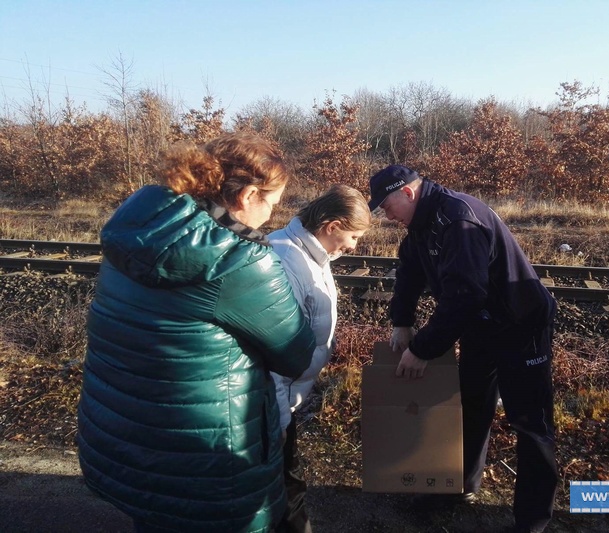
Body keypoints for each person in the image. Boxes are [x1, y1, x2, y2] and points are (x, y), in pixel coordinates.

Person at [76, 132, 316, 532]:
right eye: (271, 204)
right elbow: (296, 355)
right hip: (205, 460)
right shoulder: (239, 263)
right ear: (247, 195)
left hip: (125, 436)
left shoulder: (137, 227)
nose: (271, 218)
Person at [367, 164, 558, 533]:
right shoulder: (422, 223)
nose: (387, 216)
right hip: (480, 327)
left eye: (387, 206)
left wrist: (423, 349)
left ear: (407, 193)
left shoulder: (458, 220)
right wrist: (401, 321)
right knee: (470, 408)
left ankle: (533, 521)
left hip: (520, 325)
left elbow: (466, 295)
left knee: (530, 423)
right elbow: (409, 270)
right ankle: (458, 487)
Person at [267, 184, 371, 533]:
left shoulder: (311, 254)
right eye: (353, 236)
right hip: (273, 402)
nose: (353, 246)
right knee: (285, 485)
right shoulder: (286, 260)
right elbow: (274, 354)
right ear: (332, 226)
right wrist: (280, 420)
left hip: (286, 399)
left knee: (285, 482)